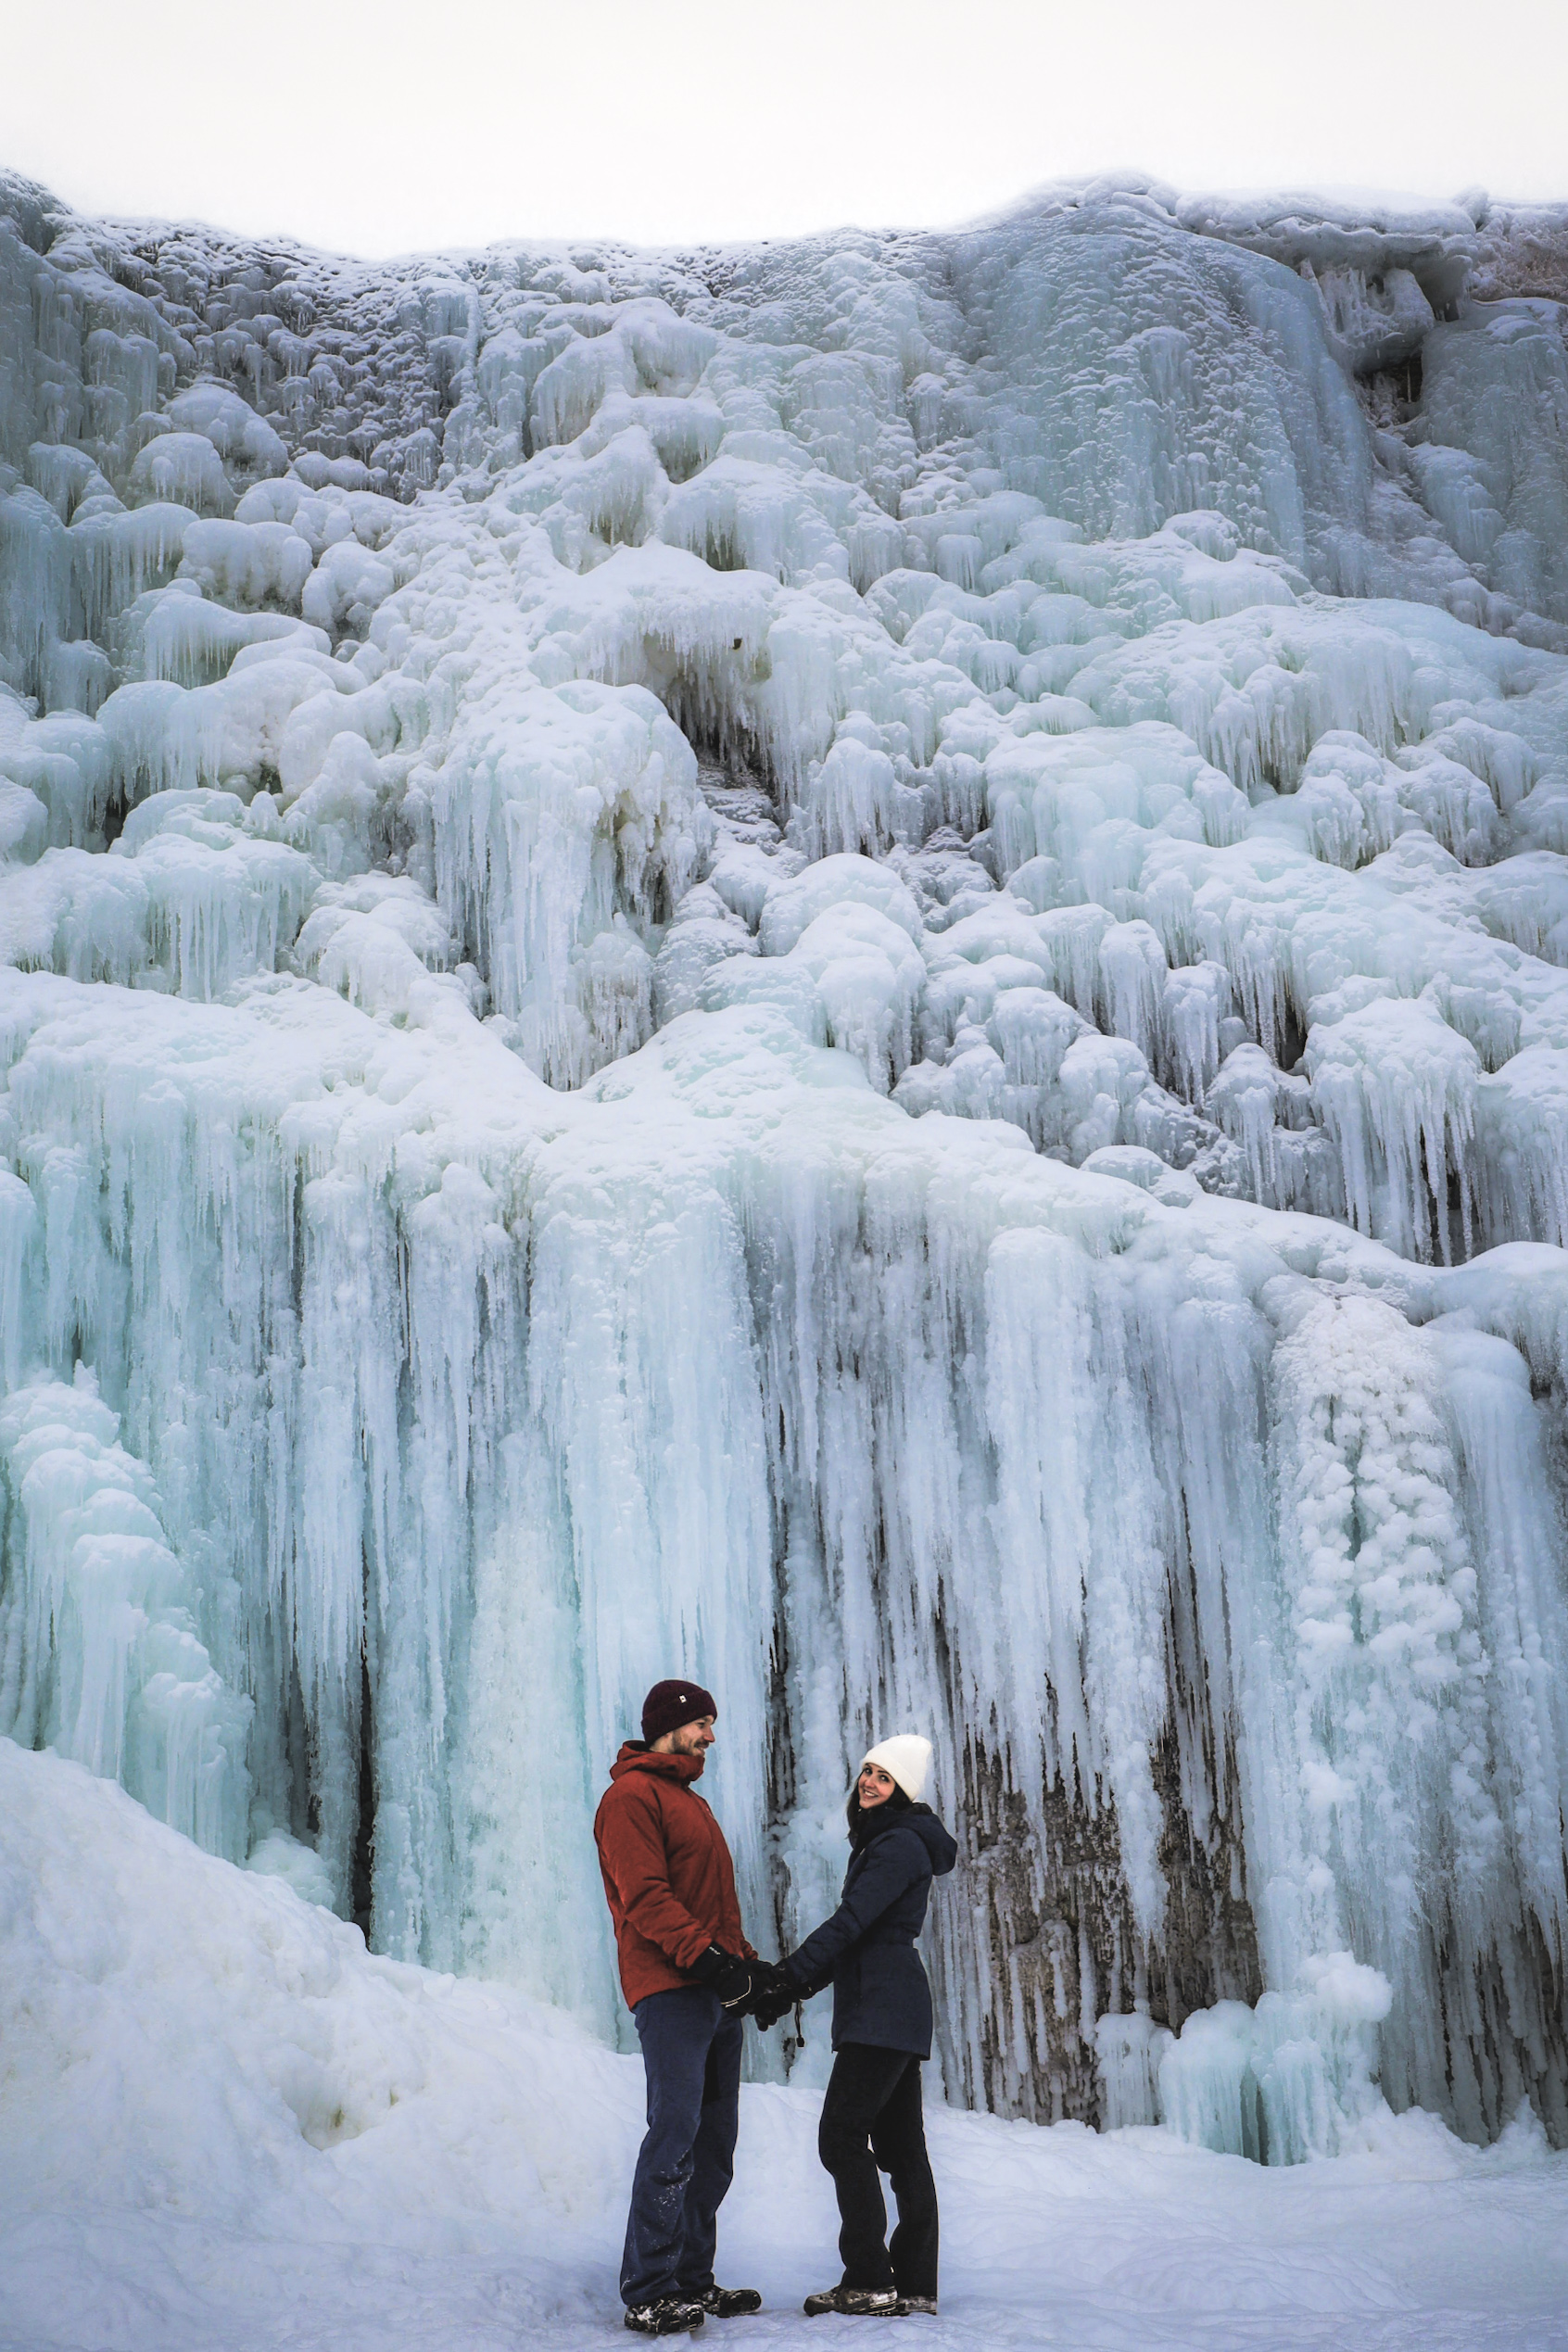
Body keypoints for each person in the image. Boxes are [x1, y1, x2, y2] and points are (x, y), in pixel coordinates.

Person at [594, 1677, 778, 2338]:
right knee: (673, 2136)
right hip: (671, 1991)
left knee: (714, 2144)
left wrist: (748, 1969)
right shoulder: (630, 1798)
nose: (710, 1736)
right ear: (668, 1725)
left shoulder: (688, 1803)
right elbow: (645, 1899)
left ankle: (692, 2282)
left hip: (712, 1991)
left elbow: (712, 1910)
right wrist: (708, 1962)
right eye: (703, 1723)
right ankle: (648, 2288)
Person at [752, 1734, 956, 2320]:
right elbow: (858, 1937)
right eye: (867, 1770)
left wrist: (787, 1979)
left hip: (882, 2009)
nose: (869, 1782)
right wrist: (794, 1988)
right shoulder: (897, 1841)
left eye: (884, 1777)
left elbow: (851, 1924)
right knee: (900, 2148)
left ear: (902, 1791)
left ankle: (868, 2278)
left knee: (841, 2137)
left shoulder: (895, 1846)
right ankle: (915, 2285)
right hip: (893, 2006)